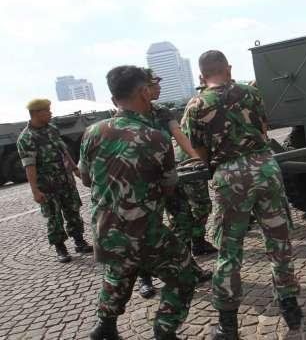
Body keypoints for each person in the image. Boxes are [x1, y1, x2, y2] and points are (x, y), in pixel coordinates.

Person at [183, 50, 302, 339]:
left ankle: (228, 325)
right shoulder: (251, 93)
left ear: (201, 76)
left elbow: (197, 152)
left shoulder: (196, 105)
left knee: (230, 250)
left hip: (230, 175)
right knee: (279, 241)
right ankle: (290, 307)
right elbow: (263, 130)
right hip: (266, 168)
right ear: (229, 68)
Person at [82, 66, 199, 339]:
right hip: (144, 232)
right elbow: (169, 185)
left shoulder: (92, 132)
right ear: (145, 93)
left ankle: (104, 328)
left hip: (105, 230)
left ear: (114, 100)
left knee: (119, 272)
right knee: (183, 275)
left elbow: (86, 178)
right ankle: (164, 331)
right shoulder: (155, 138)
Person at [136, 69, 216, 300]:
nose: (158, 87)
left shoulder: (162, 112)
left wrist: (197, 158)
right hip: (143, 185)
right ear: (141, 88)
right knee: (145, 231)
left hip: (169, 178)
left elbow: (178, 134)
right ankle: (145, 277)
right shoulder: (126, 116)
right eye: (153, 84)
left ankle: (188, 267)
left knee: (183, 222)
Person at [16, 98, 93, 263]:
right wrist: (35, 190)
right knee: (54, 217)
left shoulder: (52, 129)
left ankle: (79, 241)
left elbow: (64, 152)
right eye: (47, 111)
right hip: (47, 186)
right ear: (36, 113)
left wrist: (75, 169)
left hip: (65, 180)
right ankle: (60, 248)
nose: (51, 114)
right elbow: (29, 167)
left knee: (73, 211)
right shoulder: (26, 138)